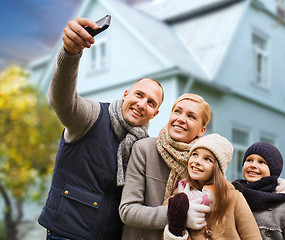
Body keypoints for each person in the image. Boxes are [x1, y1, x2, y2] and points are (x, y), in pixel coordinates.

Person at [38, 17, 164, 240]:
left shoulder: (144, 147)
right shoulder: (92, 116)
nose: (142, 104)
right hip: (66, 234)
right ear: (126, 94)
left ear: (155, 114)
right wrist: (69, 53)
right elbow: (62, 99)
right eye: (139, 95)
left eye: (151, 103)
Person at [119, 93, 213, 239]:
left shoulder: (204, 164)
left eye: (191, 116)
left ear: (202, 130)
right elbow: (128, 211)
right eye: (177, 111)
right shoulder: (144, 149)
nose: (181, 119)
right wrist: (178, 214)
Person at [163, 133, 262, 240]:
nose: (197, 161)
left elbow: (252, 236)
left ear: (218, 169)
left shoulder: (234, 198)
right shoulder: (176, 199)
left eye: (207, 159)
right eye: (195, 154)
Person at [232, 142, 285, 240]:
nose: (253, 165)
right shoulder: (231, 197)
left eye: (261, 162)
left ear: (273, 170)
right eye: (249, 160)